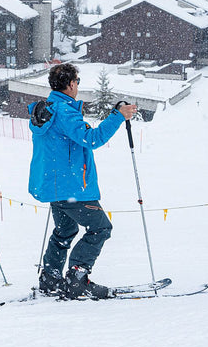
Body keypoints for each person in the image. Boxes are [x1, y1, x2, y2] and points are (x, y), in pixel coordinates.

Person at [28, 63, 137, 299]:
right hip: (72, 187)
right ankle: (77, 277)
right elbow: (92, 138)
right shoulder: (64, 111)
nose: (77, 85)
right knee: (100, 227)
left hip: (53, 186)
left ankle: (51, 276)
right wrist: (118, 116)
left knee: (65, 229)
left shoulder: (45, 109)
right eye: (76, 81)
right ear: (70, 84)